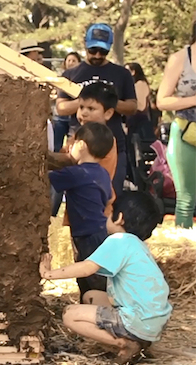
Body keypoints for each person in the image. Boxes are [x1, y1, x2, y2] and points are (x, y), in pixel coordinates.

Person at [40, 191, 171, 364]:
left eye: (110, 212)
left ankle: (124, 343)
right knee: (90, 296)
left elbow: (87, 268)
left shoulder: (119, 240)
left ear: (119, 218)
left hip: (136, 320)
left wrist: (49, 274)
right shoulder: (138, 245)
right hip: (153, 323)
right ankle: (140, 341)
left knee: (69, 315)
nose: (107, 216)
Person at [57, 23, 137, 197]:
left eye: (103, 51)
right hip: (80, 146)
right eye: (93, 50)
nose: (98, 55)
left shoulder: (121, 74)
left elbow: (132, 106)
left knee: (110, 196)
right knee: (79, 197)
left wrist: (108, 102)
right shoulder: (71, 75)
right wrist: (85, 101)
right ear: (85, 44)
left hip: (113, 144)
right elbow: (61, 108)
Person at [49, 122, 114, 300]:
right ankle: (92, 308)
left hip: (86, 235)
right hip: (99, 231)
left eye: (73, 142)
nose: (69, 147)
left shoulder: (76, 173)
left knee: (90, 277)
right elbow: (107, 197)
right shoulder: (102, 173)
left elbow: (44, 178)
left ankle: (97, 310)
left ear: (82, 145)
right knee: (94, 276)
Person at [50, 82, 118, 220]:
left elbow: (69, 160)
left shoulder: (102, 140)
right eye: (81, 107)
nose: (84, 113)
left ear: (108, 113)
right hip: (79, 205)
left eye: (91, 108)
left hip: (93, 208)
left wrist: (41, 157)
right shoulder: (78, 135)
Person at [156, 18, 196, 228]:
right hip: (185, 133)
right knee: (186, 199)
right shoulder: (181, 58)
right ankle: (186, 251)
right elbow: (162, 100)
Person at [53, 52, 83, 152]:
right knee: (57, 145)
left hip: (75, 116)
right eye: (68, 60)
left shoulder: (81, 77)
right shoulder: (61, 78)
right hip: (61, 117)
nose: (71, 63)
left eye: (74, 60)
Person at [125, 62, 156, 145]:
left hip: (138, 119)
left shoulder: (140, 84)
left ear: (133, 72)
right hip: (135, 119)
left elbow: (141, 105)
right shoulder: (136, 84)